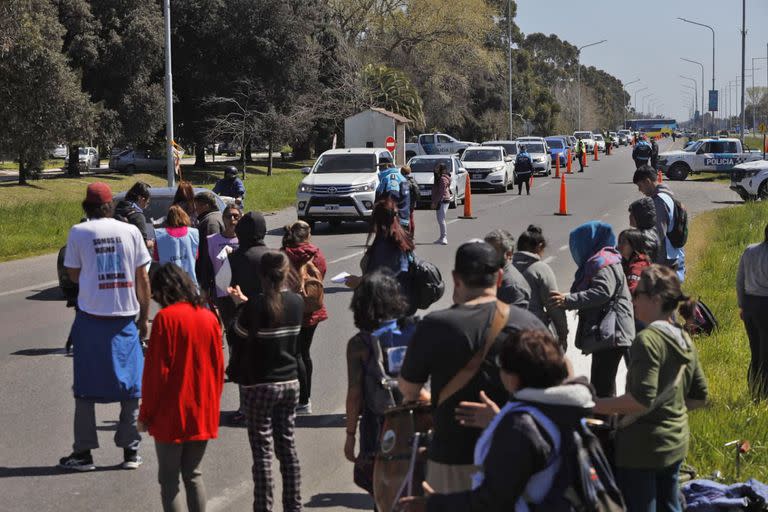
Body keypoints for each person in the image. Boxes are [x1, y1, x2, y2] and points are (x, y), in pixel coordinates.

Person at [398, 241, 545, 494]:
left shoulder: (435, 325)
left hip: (452, 458)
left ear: (456, 279)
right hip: (513, 457)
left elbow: (409, 391)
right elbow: (552, 392)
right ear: (499, 277)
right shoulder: (529, 323)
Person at [410, 330, 598, 512]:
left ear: (513, 378)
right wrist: (498, 420)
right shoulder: (562, 410)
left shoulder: (520, 427)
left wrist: (435, 505)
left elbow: (493, 502)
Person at [595, 265, 708, 512]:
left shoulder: (647, 340)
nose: (633, 299)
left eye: (637, 293)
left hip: (642, 450)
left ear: (655, 299)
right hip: (675, 442)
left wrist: (595, 405)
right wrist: (668, 409)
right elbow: (699, 397)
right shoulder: (683, 337)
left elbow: (640, 400)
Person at [59, 182, 151, 471]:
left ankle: (84, 453)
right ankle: (130, 450)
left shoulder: (79, 232)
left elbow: (73, 275)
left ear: (87, 206)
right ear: (111, 205)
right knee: (131, 386)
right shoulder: (131, 231)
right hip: (125, 318)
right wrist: (144, 318)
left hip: (90, 319)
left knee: (85, 387)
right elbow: (143, 279)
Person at [138, 263, 224, 512]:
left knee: (169, 480)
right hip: (202, 409)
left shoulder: (166, 319)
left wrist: (146, 415)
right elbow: (218, 369)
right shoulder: (209, 317)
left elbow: (156, 375)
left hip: (171, 413)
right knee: (193, 474)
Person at [227, 251, 304, 512]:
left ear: (261, 275)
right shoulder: (296, 303)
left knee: (262, 454)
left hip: (258, 384)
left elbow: (238, 335)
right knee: (288, 448)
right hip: (290, 382)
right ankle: (293, 506)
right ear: (286, 274)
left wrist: (240, 305)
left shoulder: (254, 306)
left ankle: (264, 507)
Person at [549, 221, 635, 398]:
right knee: (604, 384)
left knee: (601, 386)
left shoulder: (602, 262)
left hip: (611, 333)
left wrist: (568, 300)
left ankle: (604, 423)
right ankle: (607, 421)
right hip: (610, 333)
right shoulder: (606, 259)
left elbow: (603, 292)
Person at [344, 270, 410, 498]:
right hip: (412, 421)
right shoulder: (413, 331)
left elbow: (354, 394)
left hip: (376, 424)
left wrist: (350, 435)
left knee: (381, 490)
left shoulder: (359, 344)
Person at [226, 210, 269, 424]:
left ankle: (245, 407)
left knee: (244, 364)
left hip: (242, 318)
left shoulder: (234, 258)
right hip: (271, 318)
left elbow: (221, 287)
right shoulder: (273, 256)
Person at [282, 220, 329, 414]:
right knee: (304, 353)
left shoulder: (285, 253)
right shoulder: (315, 253)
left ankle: (300, 399)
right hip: (312, 307)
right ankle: (306, 398)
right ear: (308, 234)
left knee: (294, 354)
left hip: (291, 309)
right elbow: (322, 272)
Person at [347, 198, 414, 309]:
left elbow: (385, 281)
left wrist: (358, 282)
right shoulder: (399, 238)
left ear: (377, 219)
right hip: (399, 306)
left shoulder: (385, 244)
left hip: (386, 308)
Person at [513, 225, 569, 350]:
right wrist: (562, 335)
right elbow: (553, 304)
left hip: (509, 332)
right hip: (534, 334)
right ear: (539, 247)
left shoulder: (507, 269)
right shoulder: (541, 269)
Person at [633, 165, 685, 281]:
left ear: (647, 181)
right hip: (673, 253)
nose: (640, 190)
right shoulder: (666, 195)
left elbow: (658, 234)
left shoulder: (659, 201)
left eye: (640, 186)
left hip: (665, 258)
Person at [736, 223, 768, 398]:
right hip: (765, 306)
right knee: (766, 355)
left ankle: (753, 390)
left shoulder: (750, 251)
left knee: (755, 351)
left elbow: (740, 280)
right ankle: (763, 393)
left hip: (749, 306)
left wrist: (742, 305)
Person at [484, 229, 531, 309]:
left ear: (508, 254)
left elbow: (515, 319)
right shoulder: (488, 273)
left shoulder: (512, 287)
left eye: (493, 251)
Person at [154, 205, 200, 285]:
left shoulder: (160, 234)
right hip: (188, 280)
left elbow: (156, 257)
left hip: (168, 281)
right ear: (185, 217)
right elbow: (196, 256)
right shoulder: (193, 233)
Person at [194, 191, 224, 295]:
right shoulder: (216, 217)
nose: (195, 209)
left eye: (197, 206)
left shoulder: (211, 222)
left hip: (213, 279)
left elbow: (210, 253)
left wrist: (206, 280)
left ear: (206, 205)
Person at [114, 181, 153, 249]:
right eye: (147, 203)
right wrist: (152, 243)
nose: (146, 206)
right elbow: (142, 244)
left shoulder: (114, 210)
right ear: (141, 199)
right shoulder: (137, 216)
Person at [376, 161, 411, 230]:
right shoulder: (402, 178)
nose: (380, 170)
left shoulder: (387, 178)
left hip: (391, 215)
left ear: (386, 168)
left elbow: (383, 194)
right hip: (403, 214)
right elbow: (405, 198)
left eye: (381, 168)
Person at [618, 228, 652, 295]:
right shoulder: (627, 261)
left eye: (624, 242)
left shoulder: (638, 266)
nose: (619, 245)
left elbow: (631, 292)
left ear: (634, 245)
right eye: (619, 242)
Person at [628, 197, 660, 263]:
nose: (629, 216)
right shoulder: (653, 231)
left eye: (632, 214)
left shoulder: (641, 238)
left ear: (640, 216)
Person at [431, 162, 451, 245]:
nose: (436, 169)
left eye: (438, 168)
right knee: (440, 219)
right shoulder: (441, 177)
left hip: (442, 200)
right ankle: (441, 237)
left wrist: (435, 202)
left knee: (441, 219)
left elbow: (441, 192)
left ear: (442, 170)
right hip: (442, 199)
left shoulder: (443, 178)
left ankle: (444, 237)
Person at [401, 165, 420, 237]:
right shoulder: (413, 180)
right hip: (412, 202)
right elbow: (417, 192)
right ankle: (412, 234)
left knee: (405, 218)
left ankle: (407, 234)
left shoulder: (402, 180)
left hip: (405, 202)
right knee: (411, 217)